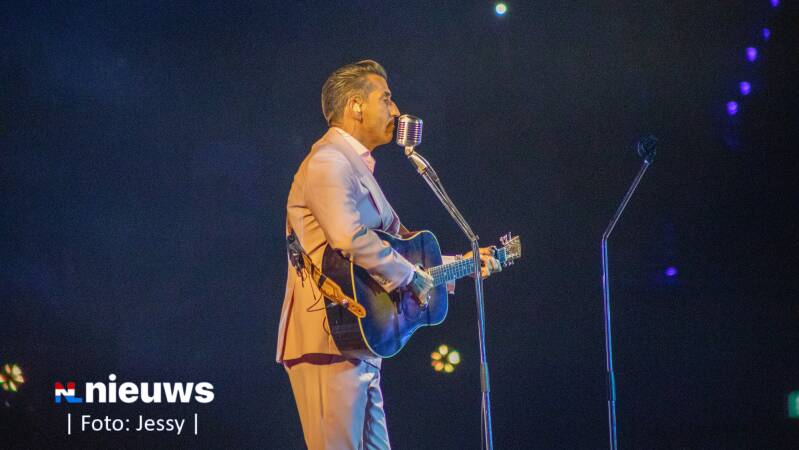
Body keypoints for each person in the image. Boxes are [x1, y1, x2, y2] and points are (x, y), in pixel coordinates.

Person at [276, 59, 500, 449]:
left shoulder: (356, 168)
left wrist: (464, 265)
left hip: (360, 341)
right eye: (386, 98)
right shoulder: (328, 160)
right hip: (328, 337)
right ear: (355, 106)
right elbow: (349, 236)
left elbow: (400, 254)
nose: (396, 111)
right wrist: (411, 277)